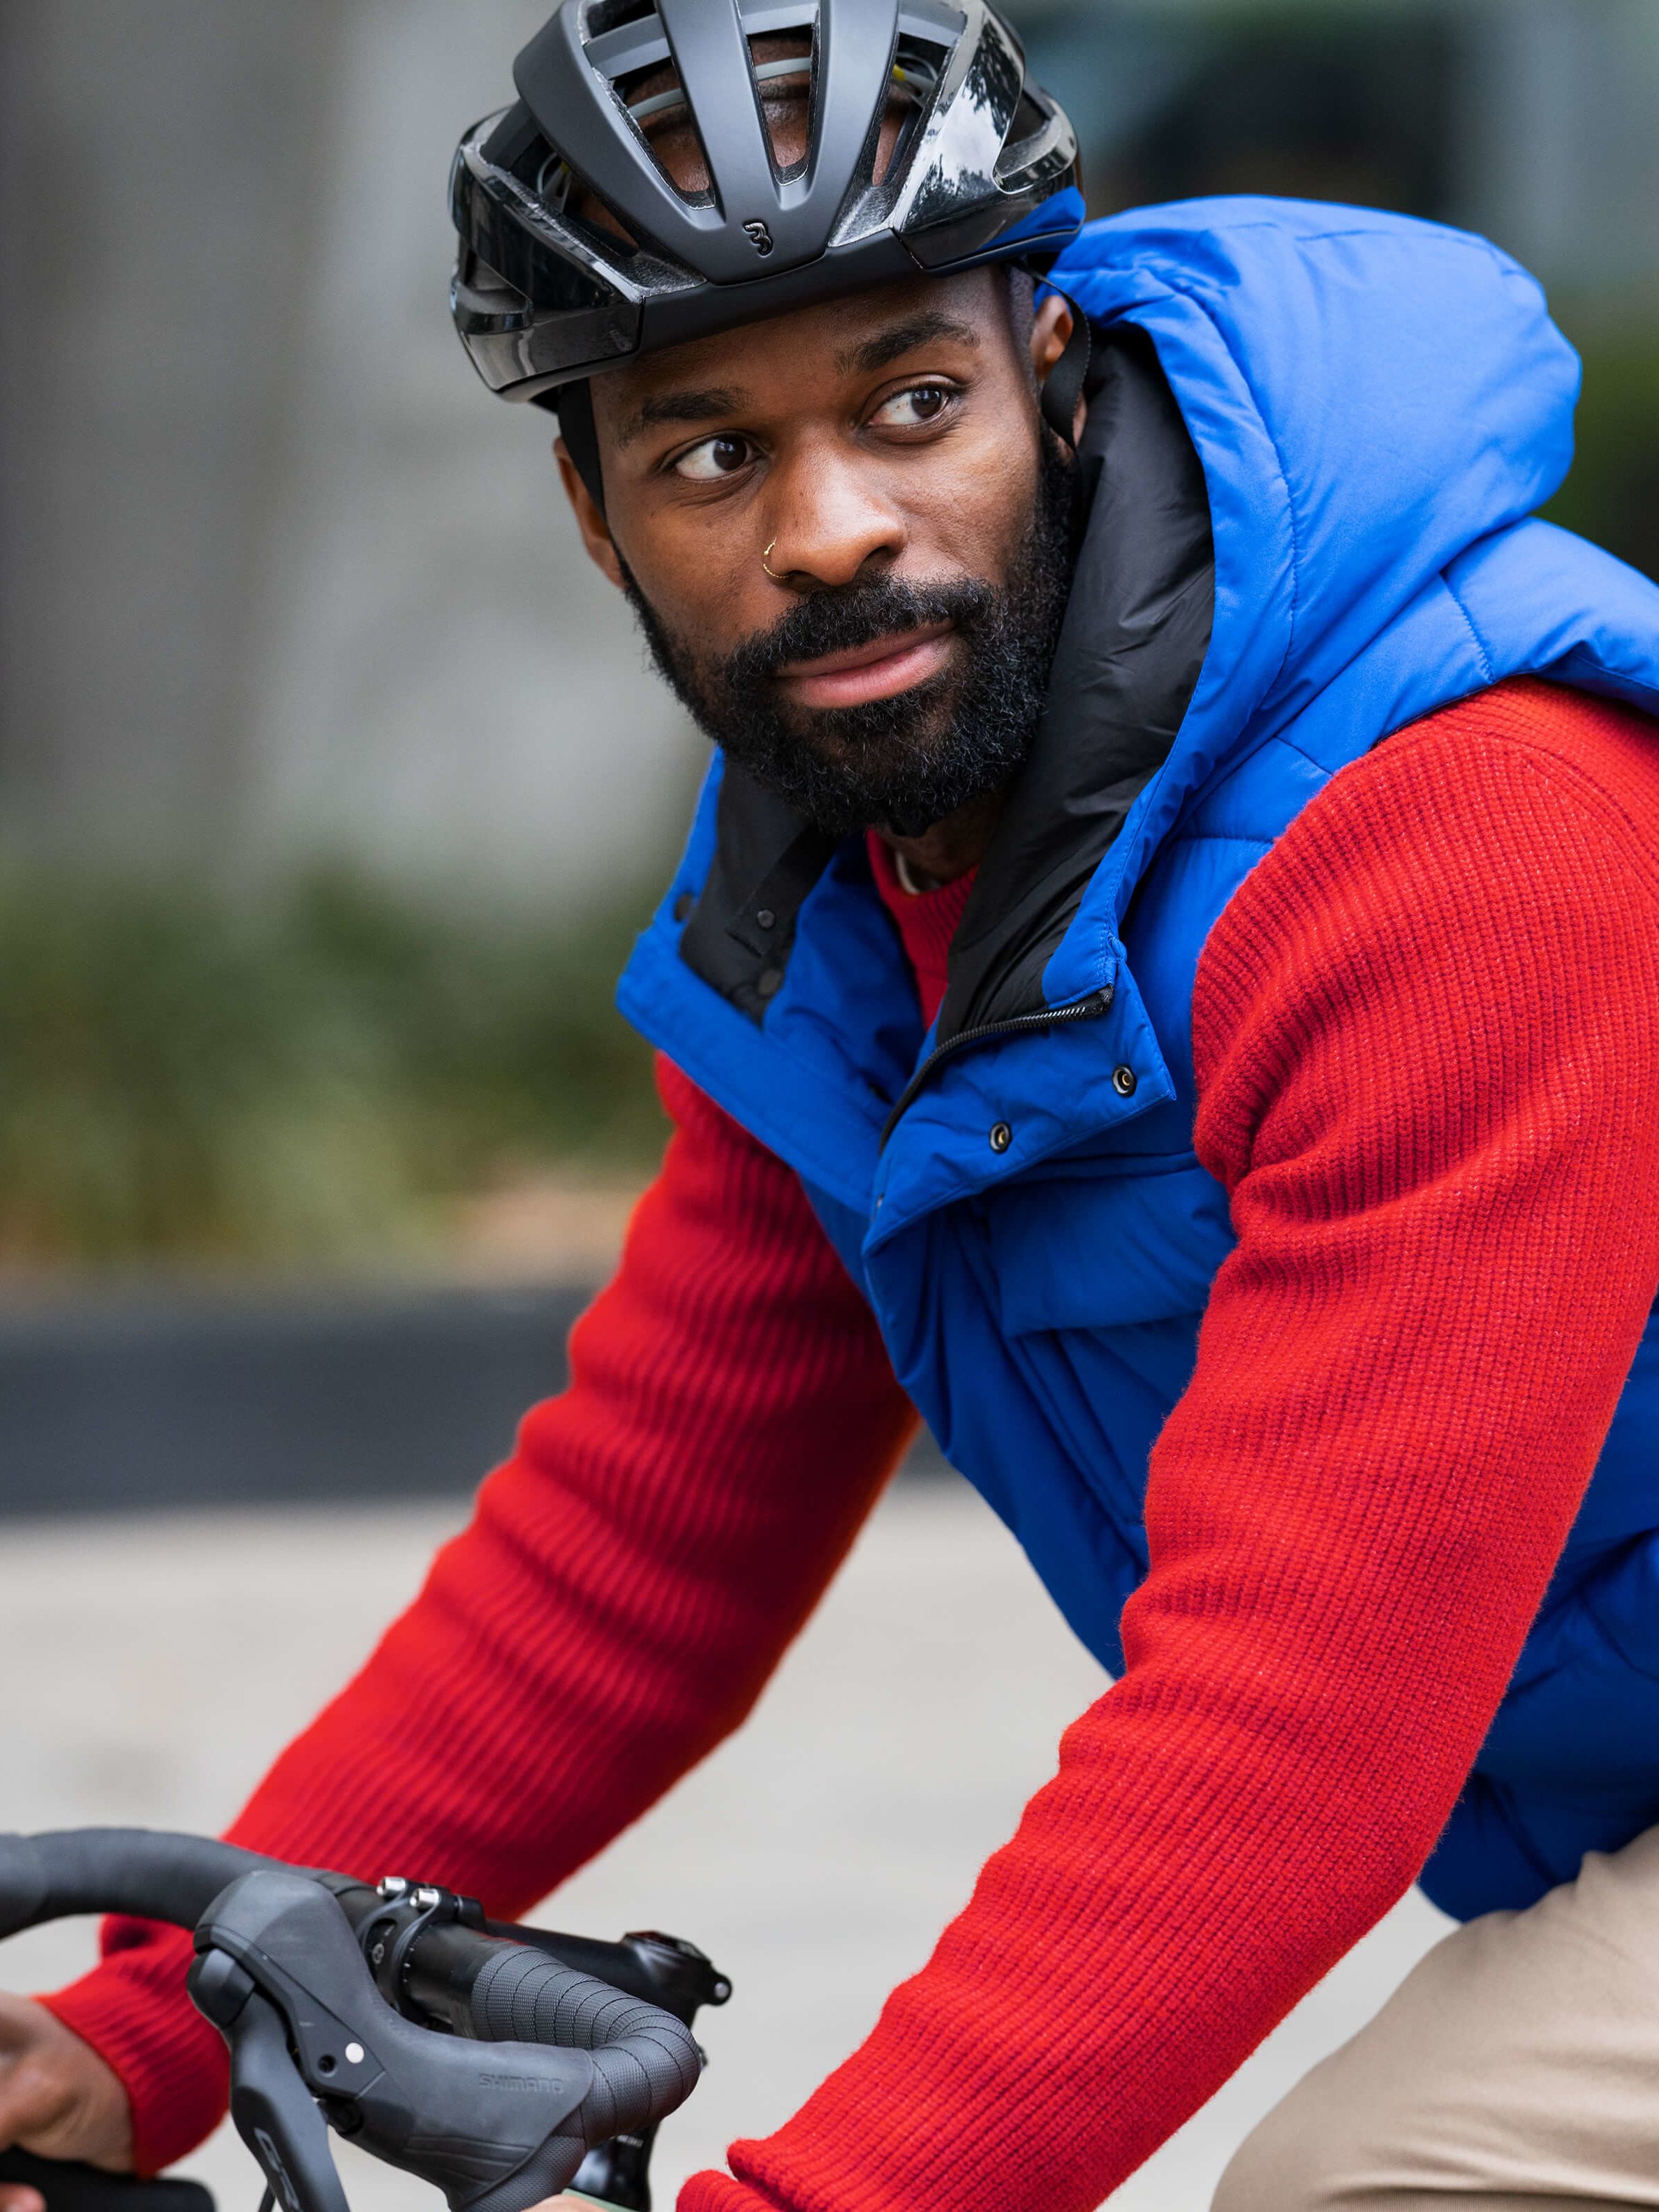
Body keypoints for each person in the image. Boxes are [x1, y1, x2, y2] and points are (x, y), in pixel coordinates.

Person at [6, 3, 1659, 2207]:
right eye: (710, 458)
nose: (833, 531)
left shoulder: (1464, 839)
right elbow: (642, 1539)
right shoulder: (869, 879)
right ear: (592, 517)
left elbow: (1298, 1707)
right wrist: (128, 2042)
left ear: (1056, 369)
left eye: (911, 403)